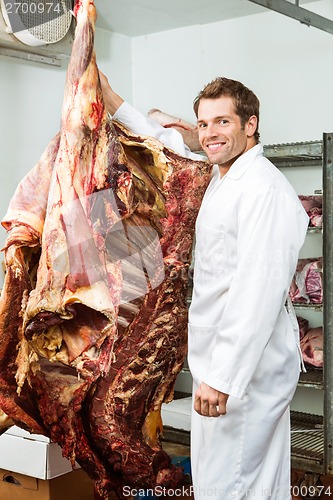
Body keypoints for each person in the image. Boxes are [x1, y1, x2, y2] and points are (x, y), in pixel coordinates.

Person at [99, 71, 309, 499]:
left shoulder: (263, 189)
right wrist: (110, 97)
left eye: (223, 122)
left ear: (250, 125)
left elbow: (258, 292)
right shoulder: (223, 175)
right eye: (204, 124)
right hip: (223, 358)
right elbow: (167, 143)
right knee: (243, 478)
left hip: (246, 367)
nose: (210, 133)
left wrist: (223, 378)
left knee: (231, 482)